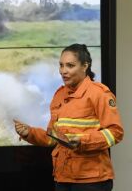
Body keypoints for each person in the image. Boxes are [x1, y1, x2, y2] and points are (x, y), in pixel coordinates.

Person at [14, 43, 124, 191]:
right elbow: (53, 137)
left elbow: (115, 133)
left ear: (85, 66)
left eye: (70, 66)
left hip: (92, 181)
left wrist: (82, 141)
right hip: (63, 178)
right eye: (61, 65)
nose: (63, 71)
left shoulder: (99, 94)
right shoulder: (59, 95)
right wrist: (30, 133)